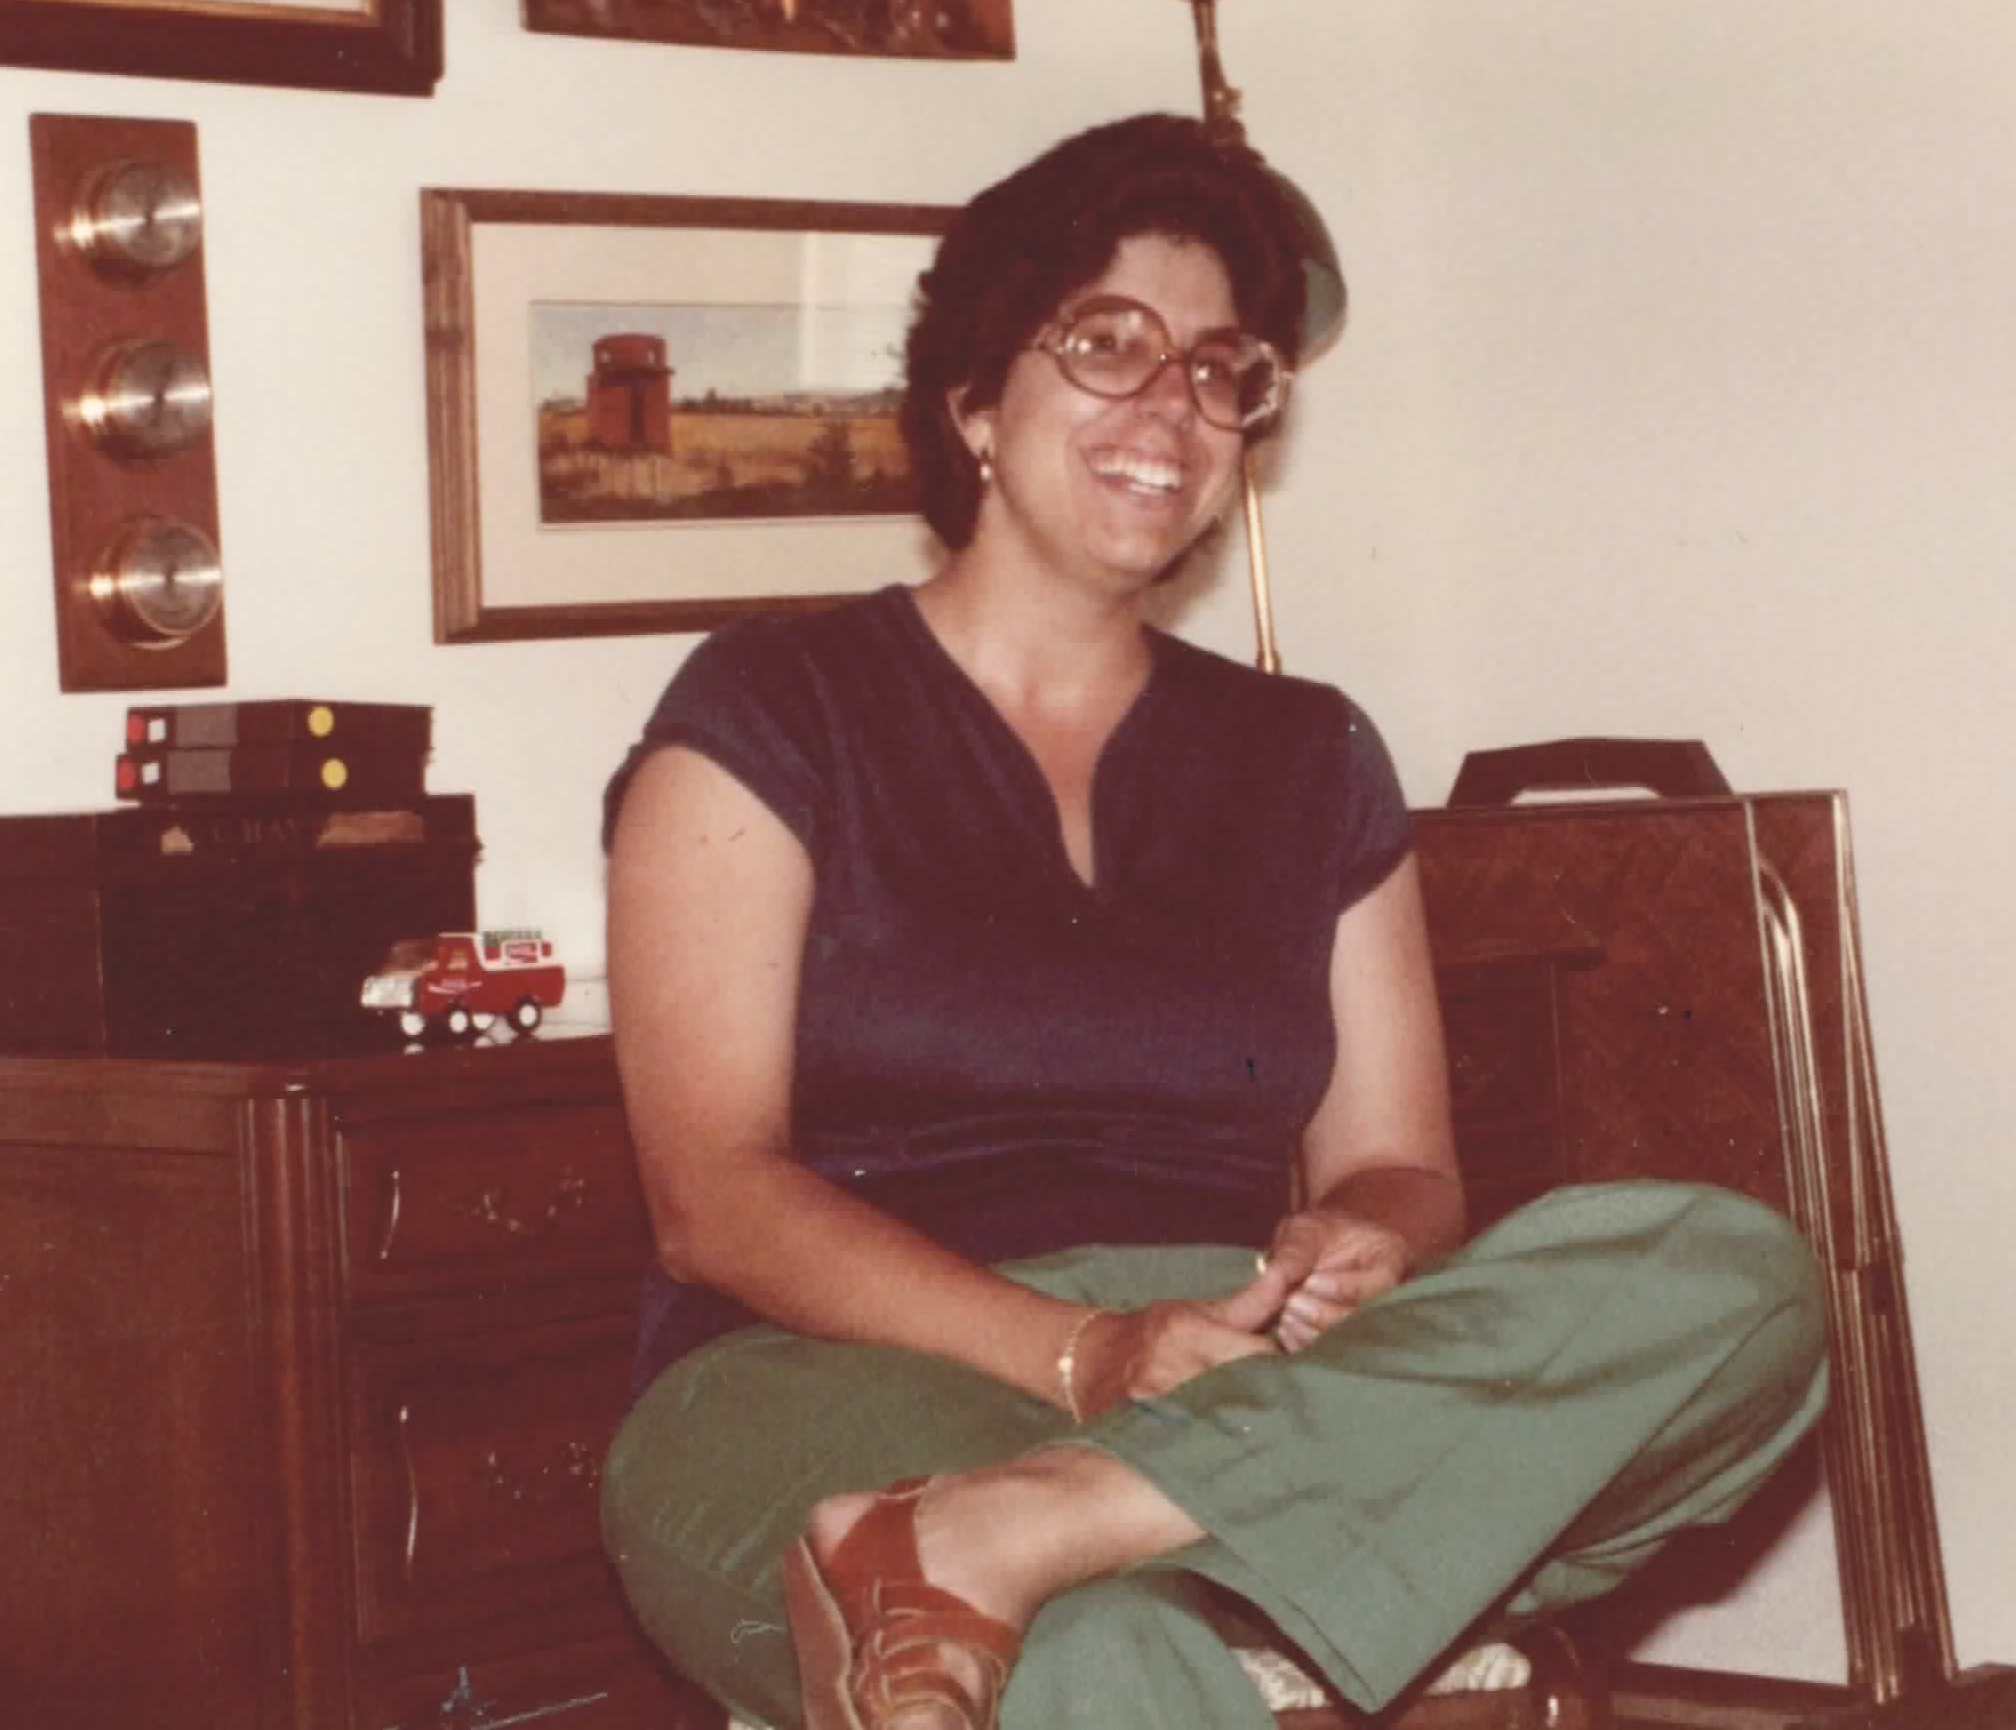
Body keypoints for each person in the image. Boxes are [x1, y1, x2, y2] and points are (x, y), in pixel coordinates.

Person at [599, 113, 1829, 1730]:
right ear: (971, 399)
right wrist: (1082, 1355)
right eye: (1108, 345)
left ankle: (1016, 1536)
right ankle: (1157, 1564)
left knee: (1731, 1278)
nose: (1170, 408)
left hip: (1233, 1375)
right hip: (818, 1376)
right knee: (1103, 1652)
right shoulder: (771, 707)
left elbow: (1399, 1162)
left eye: (1218, 369)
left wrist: (1360, 1233)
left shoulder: (1307, 750)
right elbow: (713, 1198)